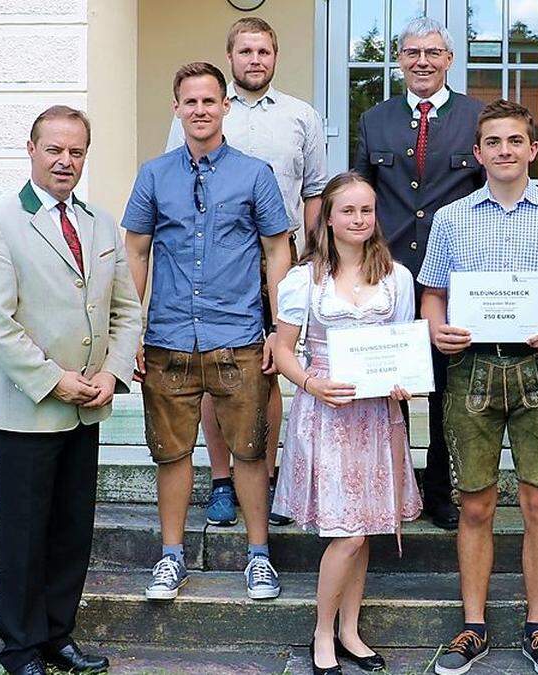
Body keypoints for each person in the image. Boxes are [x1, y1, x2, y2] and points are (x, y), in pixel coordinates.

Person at [419, 100, 538, 675]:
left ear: (533, 149)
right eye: (493, 142)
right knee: (474, 503)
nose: (504, 150)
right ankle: (473, 626)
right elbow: (432, 294)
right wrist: (436, 328)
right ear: (478, 153)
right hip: (471, 369)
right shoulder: (451, 218)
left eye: (515, 140)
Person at [0, 105, 142, 675]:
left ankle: (56, 637)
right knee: (24, 536)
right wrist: (55, 379)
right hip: (28, 408)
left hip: (88, 407)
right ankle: (20, 647)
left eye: (77, 151)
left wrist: (111, 375)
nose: (66, 161)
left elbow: (126, 310)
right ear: (32, 150)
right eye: (55, 149)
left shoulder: (98, 221)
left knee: (71, 532)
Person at [123, 61, 292, 603]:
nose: (200, 110)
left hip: (238, 334)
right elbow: (137, 252)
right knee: (170, 454)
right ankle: (170, 557)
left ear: (225, 107)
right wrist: (129, 334)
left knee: (249, 450)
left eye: (209, 101)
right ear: (177, 108)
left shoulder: (255, 174)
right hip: (169, 338)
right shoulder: (153, 174)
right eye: (189, 101)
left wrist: (278, 331)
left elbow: (276, 253)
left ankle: (258, 555)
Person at [166, 17, 327, 529]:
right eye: (245, 51)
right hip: (213, 260)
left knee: (268, 365)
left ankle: (266, 472)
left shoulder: (302, 116)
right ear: (230, 57)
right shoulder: (203, 109)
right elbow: (176, 176)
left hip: (279, 258)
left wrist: (314, 258)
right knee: (215, 368)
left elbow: (315, 191)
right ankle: (220, 479)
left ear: (275, 57)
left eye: (264, 51)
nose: (255, 59)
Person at [271, 172, 424, 675]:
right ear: (328, 219)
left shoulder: (396, 277)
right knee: (348, 533)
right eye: (348, 211)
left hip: (376, 417)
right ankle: (321, 632)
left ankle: (350, 631)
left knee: (364, 530)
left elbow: (402, 347)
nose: (359, 220)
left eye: (367, 211)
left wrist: (403, 381)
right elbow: (282, 349)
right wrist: (311, 384)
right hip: (328, 415)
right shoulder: (303, 279)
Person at [353, 16, 485, 531]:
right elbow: (360, 194)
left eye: (433, 52)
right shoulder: (376, 119)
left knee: (448, 389)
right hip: (388, 275)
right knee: (392, 385)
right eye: (412, 53)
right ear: (400, 60)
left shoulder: (476, 116)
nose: (423, 61)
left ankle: (440, 491)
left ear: (449, 59)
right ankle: (395, 486)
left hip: (452, 278)